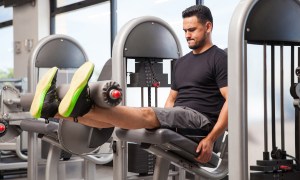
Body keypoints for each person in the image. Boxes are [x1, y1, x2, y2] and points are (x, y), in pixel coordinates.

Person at [30, 4, 228, 164]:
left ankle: (81, 103)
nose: (187, 35)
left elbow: (231, 102)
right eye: (185, 30)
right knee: (117, 120)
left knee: (146, 113)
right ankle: (53, 110)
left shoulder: (219, 58)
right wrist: (166, 123)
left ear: (208, 27)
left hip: (200, 121)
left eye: (192, 30)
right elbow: (172, 99)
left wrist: (210, 138)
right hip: (179, 117)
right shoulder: (183, 62)